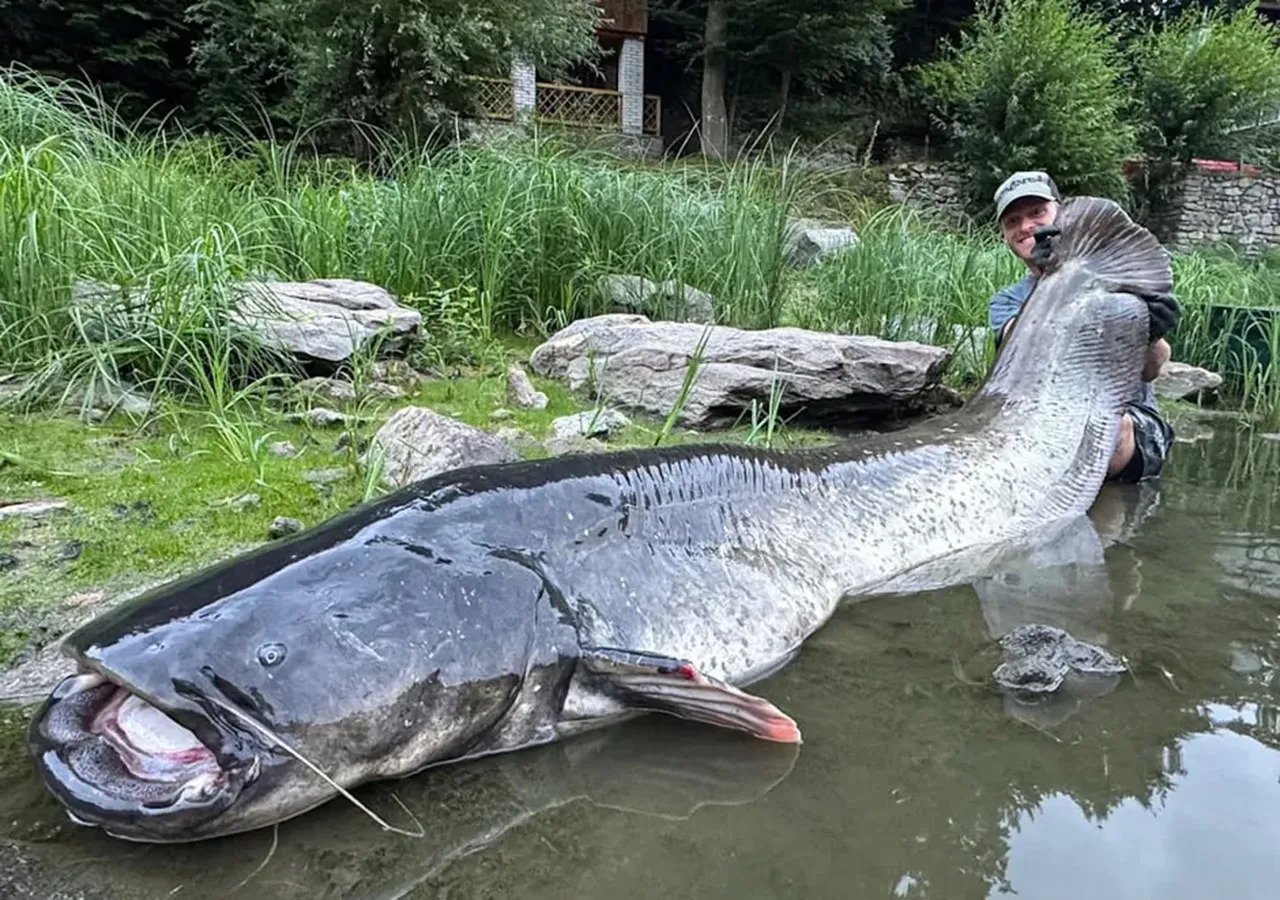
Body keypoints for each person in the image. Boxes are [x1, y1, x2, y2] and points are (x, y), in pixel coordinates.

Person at [987, 170, 1181, 483]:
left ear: (1059, 211)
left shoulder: (1115, 278)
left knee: (1108, 431)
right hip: (1040, 419)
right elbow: (1020, 349)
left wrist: (1152, 333)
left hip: (1126, 421)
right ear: (1004, 234)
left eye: (1037, 212)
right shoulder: (1006, 301)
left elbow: (1151, 369)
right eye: (1013, 221)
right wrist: (1051, 283)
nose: (1025, 226)